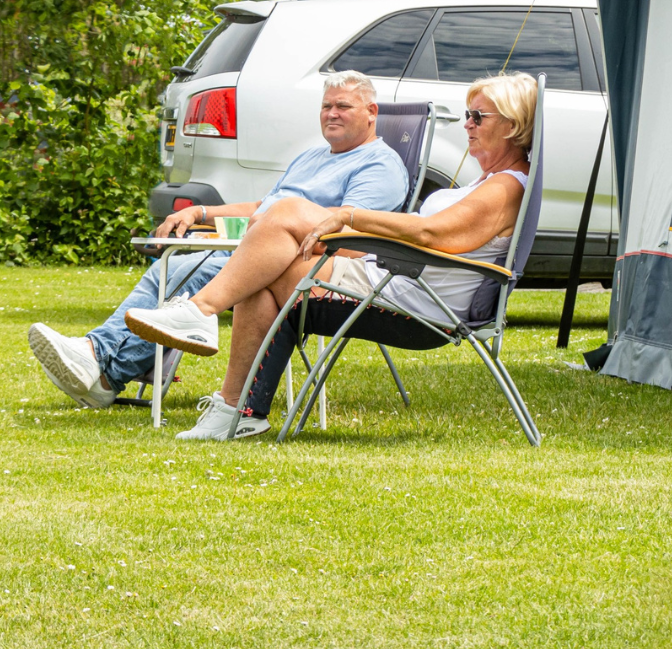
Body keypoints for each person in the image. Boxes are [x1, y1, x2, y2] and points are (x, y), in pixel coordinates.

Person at [125, 72, 537, 441]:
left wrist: (349, 215)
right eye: (468, 114)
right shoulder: (483, 183)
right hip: (390, 282)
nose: (466, 124)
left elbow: (433, 234)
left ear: (514, 126)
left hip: (418, 306)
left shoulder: (506, 188)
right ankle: (237, 409)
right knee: (267, 262)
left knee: (282, 222)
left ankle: (203, 319)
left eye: (478, 117)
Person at [27, 72, 408, 423]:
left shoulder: (380, 165)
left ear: (372, 112)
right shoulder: (310, 157)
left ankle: (100, 364)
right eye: (326, 106)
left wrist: (268, 235)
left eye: (343, 106)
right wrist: (201, 212)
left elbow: (348, 234)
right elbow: (263, 209)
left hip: (304, 266)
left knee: (188, 271)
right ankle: (102, 367)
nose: (332, 113)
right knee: (169, 266)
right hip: (259, 250)